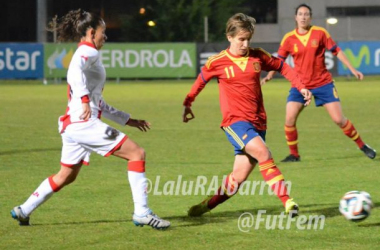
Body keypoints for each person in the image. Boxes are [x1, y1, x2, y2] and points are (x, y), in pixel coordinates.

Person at [10, 9, 170, 229]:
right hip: (83, 123)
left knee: (66, 175)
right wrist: (84, 99)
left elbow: (99, 103)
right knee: (137, 153)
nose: (105, 36)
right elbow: (73, 71)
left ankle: (24, 209)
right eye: (103, 32)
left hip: (73, 124)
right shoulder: (89, 53)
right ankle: (142, 212)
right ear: (92, 32)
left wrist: (127, 119)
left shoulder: (86, 53)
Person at [182, 13, 312, 217]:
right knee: (264, 153)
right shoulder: (218, 62)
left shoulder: (257, 56)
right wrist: (188, 102)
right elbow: (201, 80)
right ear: (229, 37)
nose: (245, 44)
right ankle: (289, 202)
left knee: (237, 179)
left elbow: (282, 66)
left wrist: (301, 87)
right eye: (241, 39)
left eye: (248, 39)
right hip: (235, 123)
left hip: (259, 123)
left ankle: (206, 205)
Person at [261, 4, 376, 162]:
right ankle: (294, 155)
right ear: (296, 17)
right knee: (289, 119)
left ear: (310, 17)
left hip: (323, 83)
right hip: (300, 86)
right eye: (300, 14)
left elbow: (337, 51)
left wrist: (353, 69)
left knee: (338, 119)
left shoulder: (320, 33)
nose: (303, 17)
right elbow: (278, 61)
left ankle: (363, 145)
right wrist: (270, 75)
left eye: (306, 14)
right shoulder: (289, 38)